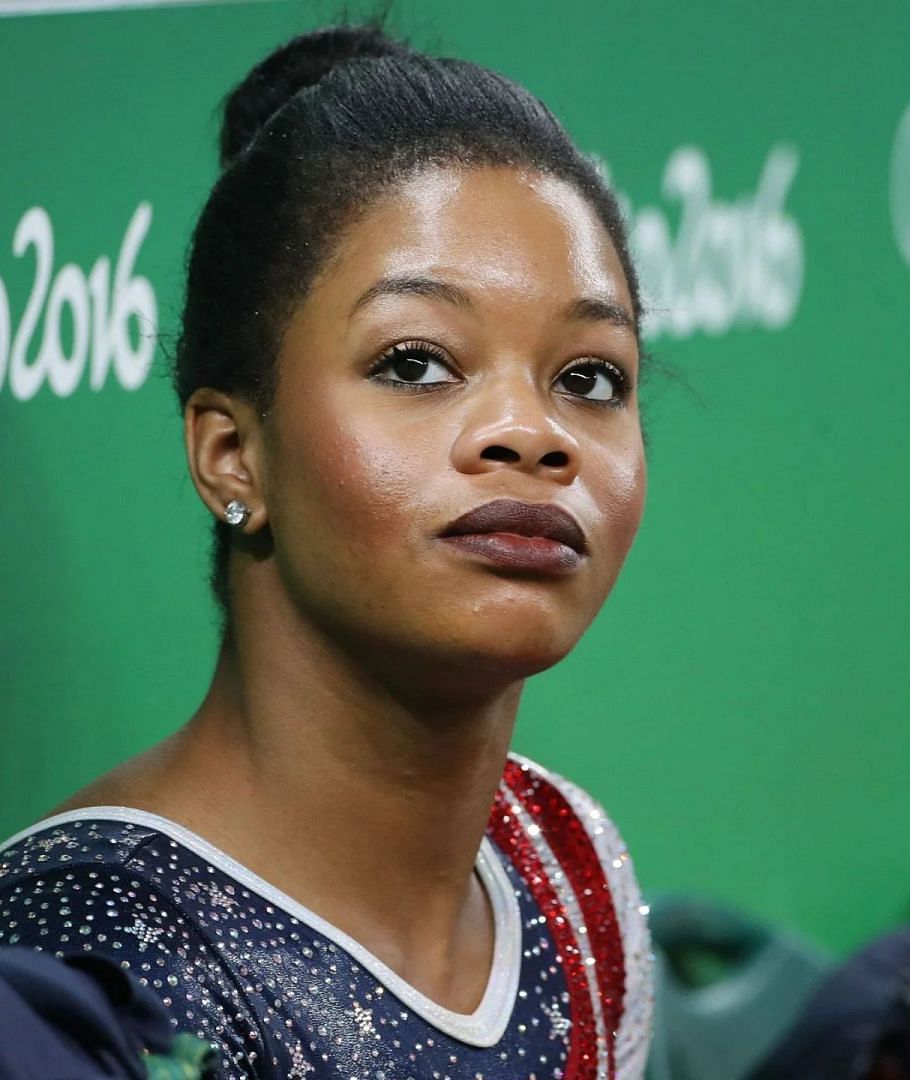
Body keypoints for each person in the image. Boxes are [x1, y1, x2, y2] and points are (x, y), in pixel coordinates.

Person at [0, 27, 653, 1079]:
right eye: (416, 363)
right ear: (232, 454)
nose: (533, 434)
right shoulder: (84, 962)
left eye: (589, 378)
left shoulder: (565, 866)